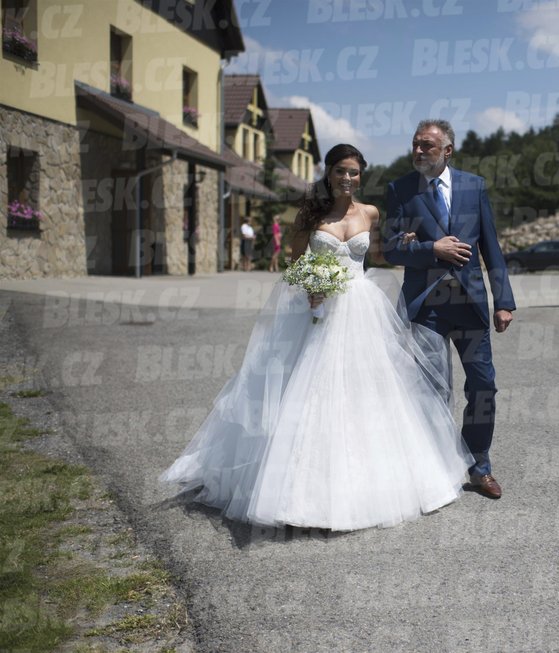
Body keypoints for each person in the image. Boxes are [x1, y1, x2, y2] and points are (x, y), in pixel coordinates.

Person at [160, 144, 473, 530]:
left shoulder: (371, 213)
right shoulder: (310, 215)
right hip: (317, 309)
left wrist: (408, 242)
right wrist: (310, 285)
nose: (347, 178)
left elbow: (378, 256)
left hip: (360, 308)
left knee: (370, 394)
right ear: (328, 172)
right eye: (341, 170)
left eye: (354, 172)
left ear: (361, 176)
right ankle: (294, 489)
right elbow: (294, 261)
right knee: (307, 389)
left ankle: (375, 484)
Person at [384, 119, 515, 499]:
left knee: (484, 387)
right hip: (426, 306)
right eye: (415, 145)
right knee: (434, 390)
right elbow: (390, 249)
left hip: (470, 305)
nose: (419, 151)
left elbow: (491, 246)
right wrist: (431, 249)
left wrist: (503, 300)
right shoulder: (400, 190)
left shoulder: (475, 186)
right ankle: (436, 469)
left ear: (447, 151)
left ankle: (479, 465)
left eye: (427, 145)